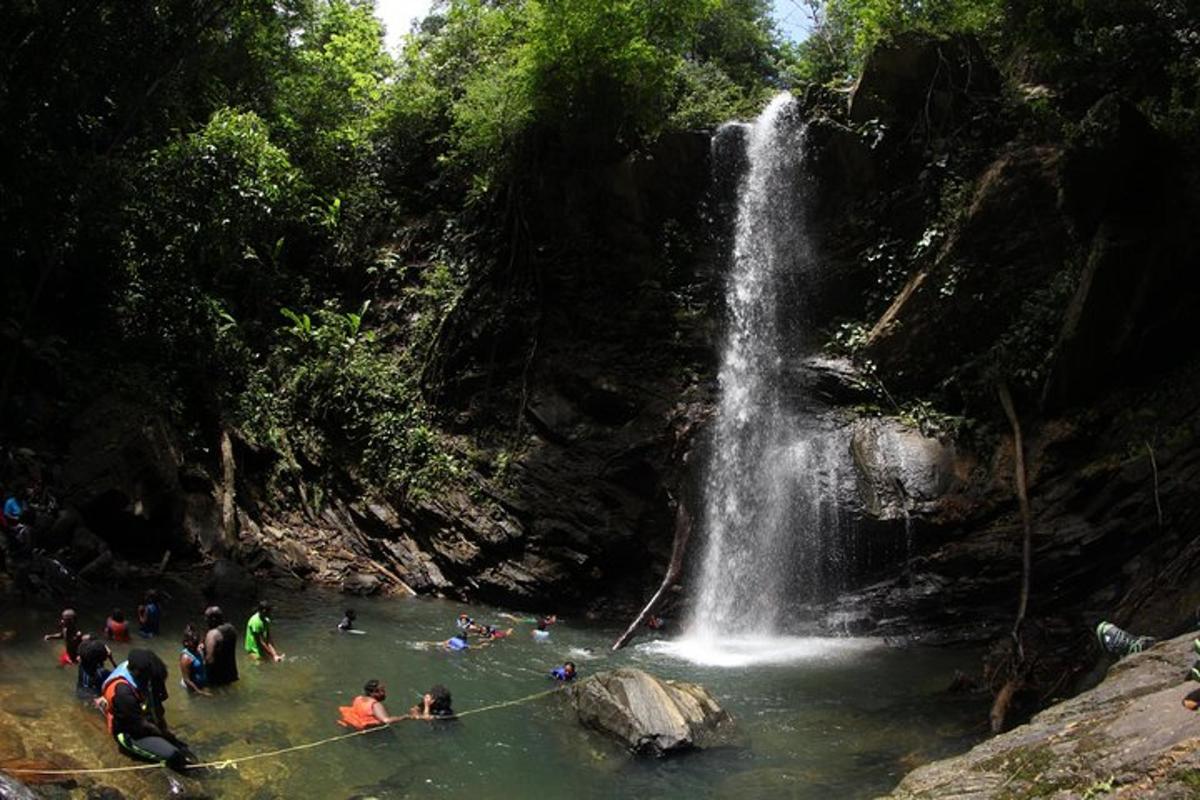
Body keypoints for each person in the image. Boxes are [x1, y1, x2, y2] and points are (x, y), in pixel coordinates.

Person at [101, 649, 194, 770]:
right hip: (129, 731)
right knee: (174, 756)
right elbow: (140, 725)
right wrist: (164, 734)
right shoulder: (123, 693)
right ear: (137, 672)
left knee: (182, 747)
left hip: (141, 717)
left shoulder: (140, 667)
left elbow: (160, 701)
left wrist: (164, 728)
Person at [337, 679, 408, 729]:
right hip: (368, 730)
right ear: (374, 693)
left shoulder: (358, 698)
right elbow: (386, 720)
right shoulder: (375, 705)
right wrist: (406, 717)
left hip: (354, 724)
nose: (384, 693)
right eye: (382, 691)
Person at [203, 606, 239, 686]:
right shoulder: (231, 629)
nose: (205, 620)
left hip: (217, 679)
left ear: (213, 619)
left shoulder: (212, 634)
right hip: (231, 674)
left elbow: (209, 660)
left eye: (207, 618)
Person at [179, 625, 210, 695]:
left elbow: (202, 642)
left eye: (196, 638)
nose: (195, 639)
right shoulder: (186, 657)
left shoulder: (198, 650)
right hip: (191, 687)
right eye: (192, 639)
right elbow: (186, 679)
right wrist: (199, 692)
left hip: (200, 685)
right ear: (186, 642)